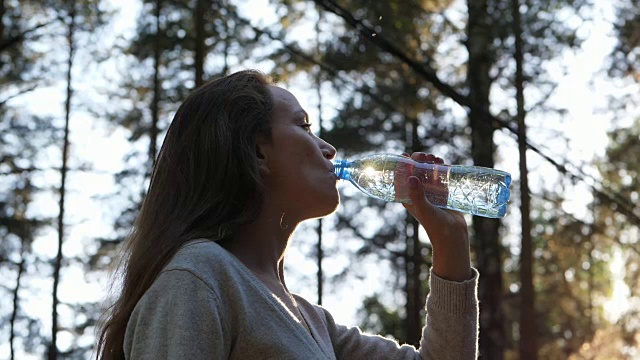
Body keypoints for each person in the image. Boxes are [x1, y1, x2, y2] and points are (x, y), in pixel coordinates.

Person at [96, 69, 479, 360]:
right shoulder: (198, 276)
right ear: (258, 152)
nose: (327, 148)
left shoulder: (315, 324)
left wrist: (451, 244)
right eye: (304, 126)